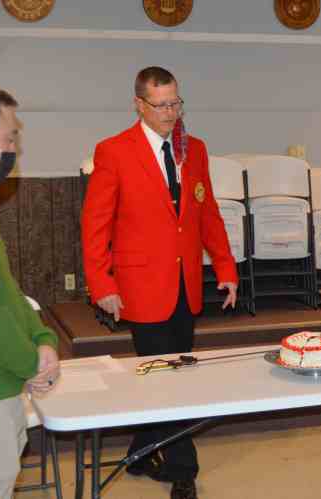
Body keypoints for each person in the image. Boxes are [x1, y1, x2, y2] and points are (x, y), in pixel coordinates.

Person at [81, 66, 238, 499]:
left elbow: (207, 213)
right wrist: (102, 284)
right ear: (139, 105)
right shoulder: (113, 151)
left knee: (168, 374)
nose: (171, 112)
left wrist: (226, 268)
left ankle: (139, 452)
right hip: (140, 284)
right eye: (161, 105)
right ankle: (184, 470)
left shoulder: (195, 149)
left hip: (186, 283)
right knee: (169, 379)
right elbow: (95, 224)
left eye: (176, 103)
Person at [0, 81, 60, 498]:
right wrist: (30, 365)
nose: (13, 150)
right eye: (8, 138)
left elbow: (3, 290)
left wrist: (42, 337)